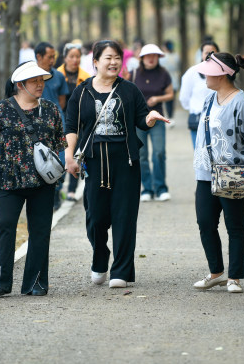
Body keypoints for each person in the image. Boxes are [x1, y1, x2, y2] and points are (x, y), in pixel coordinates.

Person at [64, 40, 170, 289]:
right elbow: (71, 126)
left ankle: (121, 269)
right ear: (96, 61)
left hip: (126, 161)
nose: (113, 63)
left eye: (117, 58)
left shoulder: (129, 89)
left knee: (124, 216)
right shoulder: (82, 92)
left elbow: (142, 120)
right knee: (95, 218)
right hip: (94, 161)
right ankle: (100, 257)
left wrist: (151, 118)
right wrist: (70, 155)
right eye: (108, 58)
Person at [0, 61, 67, 297]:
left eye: (41, 80)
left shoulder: (50, 109)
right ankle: (0, 283)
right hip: (8, 181)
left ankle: (35, 283)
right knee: (5, 227)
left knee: (40, 231)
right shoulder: (0, 109)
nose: (40, 85)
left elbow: (60, 142)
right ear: (19, 85)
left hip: (42, 182)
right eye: (34, 81)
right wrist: (11, 154)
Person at [192, 52, 244, 294]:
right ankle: (216, 273)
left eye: (209, 70)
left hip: (233, 174)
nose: (204, 74)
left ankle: (234, 277)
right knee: (205, 222)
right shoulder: (209, 100)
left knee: (235, 226)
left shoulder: (242, 102)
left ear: (223, 74)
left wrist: (232, 153)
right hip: (205, 172)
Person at [129, 44, 174, 202]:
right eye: (148, 56)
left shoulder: (163, 74)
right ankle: (146, 188)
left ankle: (161, 187)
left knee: (159, 152)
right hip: (138, 120)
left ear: (158, 57)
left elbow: (170, 94)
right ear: (142, 58)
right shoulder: (134, 73)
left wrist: (157, 99)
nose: (151, 58)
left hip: (158, 119)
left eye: (154, 56)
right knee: (141, 155)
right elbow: (126, 93)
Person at [36, 41, 70, 209]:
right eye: (49, 57)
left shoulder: (59, 76)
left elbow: (62, 101)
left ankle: (57, 191)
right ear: (39, 57)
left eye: (54, 57)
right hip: (36, 122)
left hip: (57, 120)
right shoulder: (31, 77)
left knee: (60, 157)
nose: (52, 60)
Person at [57, 42, 91, 201]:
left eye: (78, 56)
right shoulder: (57, 75)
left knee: (77, 153)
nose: (75, 59)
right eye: (71, 56)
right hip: (61, 119)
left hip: (80, 121)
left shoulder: (86, 77)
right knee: (61, 153)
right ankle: (57, 188)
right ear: (65, 58)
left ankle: (72, 189)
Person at [180, 40, 219, 147]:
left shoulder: (224, 73)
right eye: (206, 52)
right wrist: (194, 108)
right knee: (199, 154)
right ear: (201, 54)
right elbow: (184, 97)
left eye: (213, 52)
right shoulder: (192, 73)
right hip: (197, 120)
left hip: (218, 120)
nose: (210, 55)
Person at [160, 40, 180, 124]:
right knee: (172, 100)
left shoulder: (162, 58)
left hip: (164, 82)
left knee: (167, 100)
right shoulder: (176, 56)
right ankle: (171, 117)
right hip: (174, 81)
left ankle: (169, 117)